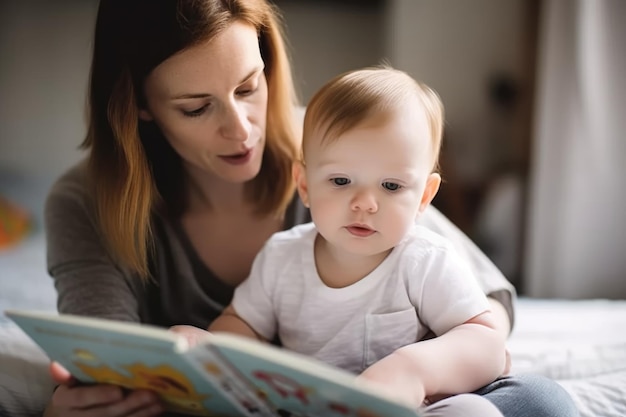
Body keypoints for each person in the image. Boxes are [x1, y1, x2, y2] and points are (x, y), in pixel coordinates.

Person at [42, 0, 579, 417]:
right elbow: (145, 356)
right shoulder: (288, 244)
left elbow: (489, 309)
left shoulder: (340, 145)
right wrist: (194, 351)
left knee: (537, 400)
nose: (241, 128)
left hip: (421, 395)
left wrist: (415, 369)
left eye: (250, 87)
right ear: (136, 104)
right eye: (196, 107)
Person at [199, 66, 507, 415]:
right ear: (304, 186)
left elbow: (487, 344)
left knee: (475, 411)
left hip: (400, 409)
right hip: (305, 408)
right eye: (341, 180)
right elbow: (242, 324)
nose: (364, 202)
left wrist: (413, 370)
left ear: (424, 197)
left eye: (391, 186)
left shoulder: (424, 260)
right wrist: (207, 349)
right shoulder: (281, 257)